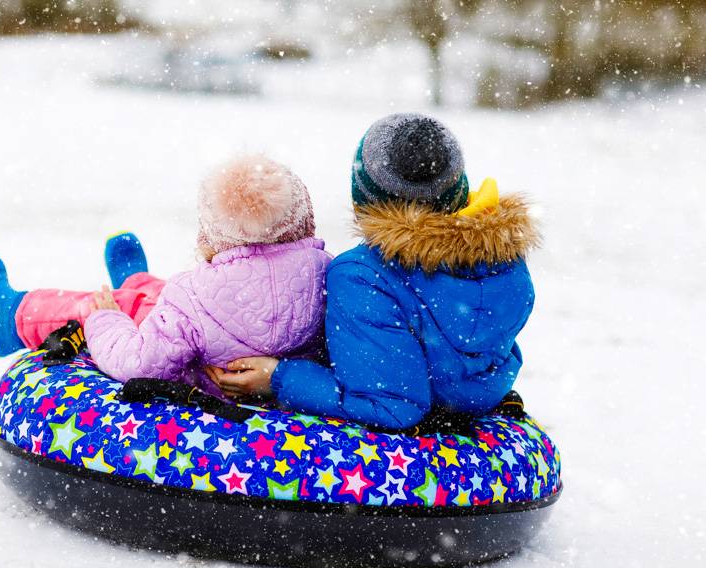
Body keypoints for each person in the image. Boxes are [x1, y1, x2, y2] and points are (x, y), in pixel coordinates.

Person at [210, 114, 540, 430]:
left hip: (402, 430)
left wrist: (278, 377)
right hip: (473, 402)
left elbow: (390, 405)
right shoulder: (505, 257)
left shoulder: (362, 275)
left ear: (366, 200)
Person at [0, 155, 332, 397]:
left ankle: (11, 317)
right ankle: (137, 281)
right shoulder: (328, 273)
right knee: (159, 298)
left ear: (213, 233)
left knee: (111, 307)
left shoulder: (192, 296)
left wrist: (104, 320)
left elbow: (139, 362)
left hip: (206, 377)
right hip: (264, 375)